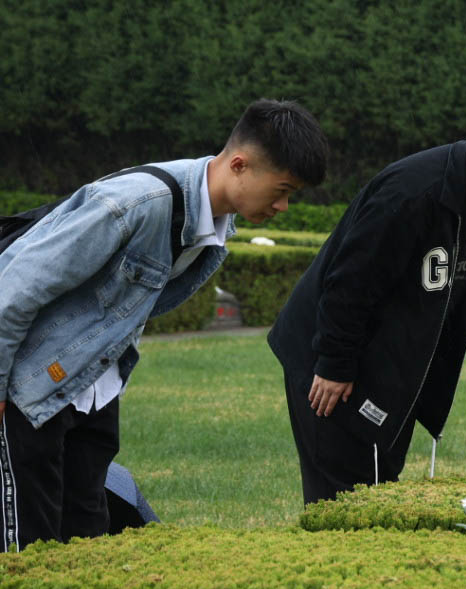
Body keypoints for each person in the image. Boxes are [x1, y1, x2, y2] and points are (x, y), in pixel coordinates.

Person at [0, 99, 328, 550]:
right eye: (282, 189)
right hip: (29, 391)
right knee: (30, 550)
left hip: (95, 390)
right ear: (239, 164)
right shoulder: (134, 204)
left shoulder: (214, 225)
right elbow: (12, 289)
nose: (285, 206)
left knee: (90, 542)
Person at [268, 120, 466, 504]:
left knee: (379, 484)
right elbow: (350, 283)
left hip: (386, 367)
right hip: (330, 363)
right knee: (344, 497)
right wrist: (333, 364)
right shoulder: (412, 192)